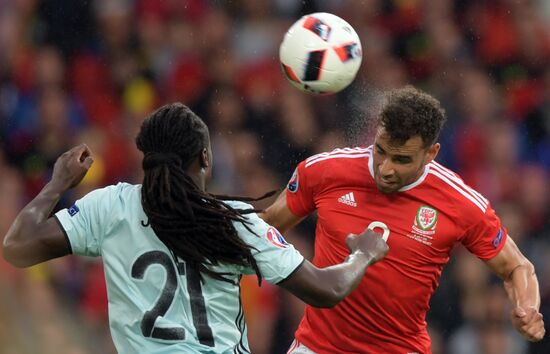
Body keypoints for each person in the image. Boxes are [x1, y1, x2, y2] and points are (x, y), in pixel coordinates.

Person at [2, 103, 389, 354]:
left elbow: (17, 246)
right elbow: (327, 289)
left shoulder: (109, 207)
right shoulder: (232, 221)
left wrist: (57, 183)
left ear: (147, 160)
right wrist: (364, 254)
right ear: (205, 157)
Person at [261, 86, 545, 354]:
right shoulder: (324, 171)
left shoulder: (461, 203)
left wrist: (528, 307)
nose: (385, 169)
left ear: (430, 153)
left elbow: (517, 266)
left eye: (401, 159)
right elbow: (265, 227)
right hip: (316, 346)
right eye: (380, 151)